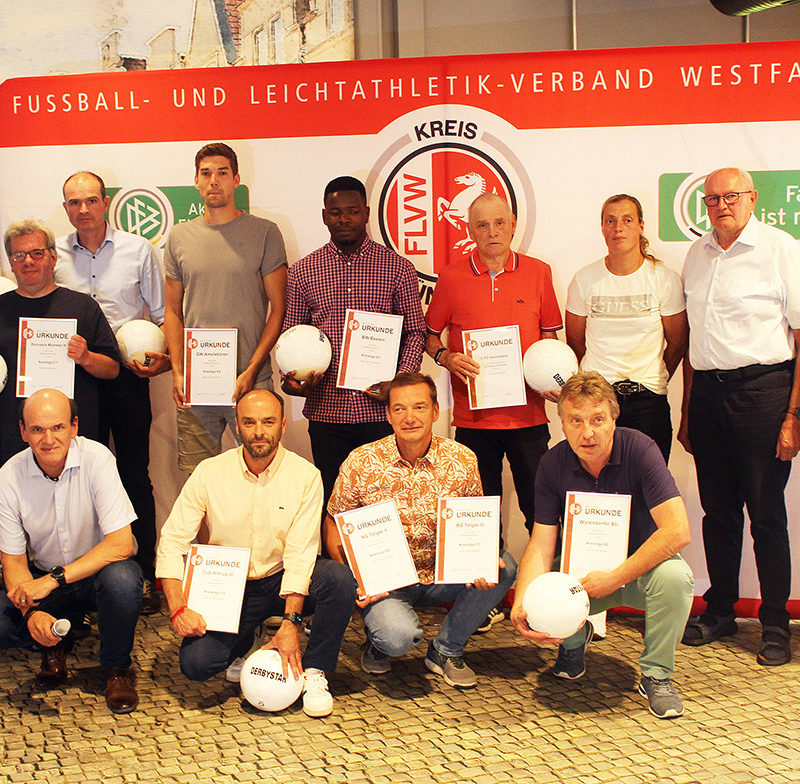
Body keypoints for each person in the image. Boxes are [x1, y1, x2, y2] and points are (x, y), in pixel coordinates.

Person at [155, 388, 357, 717]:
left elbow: (301, 553)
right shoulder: (209, 472)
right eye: (249, 422)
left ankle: (315, 670)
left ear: (283, 425)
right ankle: (248, 637)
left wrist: (290, 623)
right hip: (230, 587)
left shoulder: (306, 476)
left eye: (268, 422)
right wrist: (177, 608)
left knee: (337, 579)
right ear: (237, 425)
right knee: (197, 665)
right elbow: (173, 540)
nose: (259, 431)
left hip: (281, 576)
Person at [511, 372, 693, 719]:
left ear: (613, 419)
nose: (587, 433)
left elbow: (677, 531)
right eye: (575, 421)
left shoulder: (641, 449)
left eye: (597, 420)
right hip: (583, 577)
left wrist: (616, 577)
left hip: (640, 570)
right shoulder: (552, 463)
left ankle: (656, 675)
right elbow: (541, 543)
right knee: (541, 587)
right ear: (562, 423)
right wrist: (523, 601)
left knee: (676, 578)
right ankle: (574, 640)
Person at [678, 167, 800, 667]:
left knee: (767, 514)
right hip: (708, 395)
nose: (721, 206)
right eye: (712, 199)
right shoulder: (696, 254)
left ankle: (775, 623)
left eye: (731, 196)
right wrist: (687, 411)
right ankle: (721, 609)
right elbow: (693, 340)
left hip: (763, 394)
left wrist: (794, 416)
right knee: (718, 512)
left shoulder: (780, 249)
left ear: (752, 198)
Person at [325, 372, 517, 688]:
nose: (409, 417)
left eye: (419, 407)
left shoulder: (462, 459)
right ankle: (378, 643)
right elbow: (334, 520)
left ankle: (446, 649)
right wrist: (356, 579)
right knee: (397, 638)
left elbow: (473, 520)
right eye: (399, 409)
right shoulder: (361, 461)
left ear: (435, 411)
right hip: (388, 581)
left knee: (504, 566)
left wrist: (481, 560)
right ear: (388, 415)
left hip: (443, 575)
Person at [425, 192, 562, 631]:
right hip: (474, 420)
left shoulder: (539, 272)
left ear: (513, 224)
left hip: (529, 418)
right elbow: (429, 337)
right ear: (469, 230)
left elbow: (550, 340)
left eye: (499, 223)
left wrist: (552, 378)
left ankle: (548, 598)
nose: (492, 233)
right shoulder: (451, 277)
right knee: (479, 518)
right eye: (482, 225)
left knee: (541, 512)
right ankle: (483, 602)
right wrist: (447, 357)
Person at [55, 171, 168, 615]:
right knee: (79, 477)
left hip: (126, 376)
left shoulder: (138, 250)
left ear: (105, 202)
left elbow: (160, 314)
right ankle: (85, 580)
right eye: (74, 202)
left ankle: (144, 574)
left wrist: (158, 358)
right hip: (74, 379)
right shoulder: (54, 254)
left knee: (134, 474)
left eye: (90, 200)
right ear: (66, 208)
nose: (83, 209)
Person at [281, 175, 426, 516]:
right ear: (324, 216)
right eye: (335, 212)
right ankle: (336, 555)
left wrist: (397, 384)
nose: (344, 219)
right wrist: (293, 379)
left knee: (386, 505)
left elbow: (415, 333)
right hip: (327, 412)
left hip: (381, 412)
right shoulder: (303, 272)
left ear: (367, 213)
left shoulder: (398, 268)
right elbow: (291, 335)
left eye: (352, 211)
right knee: (334, 504)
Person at [0, 389, 141, 713]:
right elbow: (14, 563)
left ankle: (116, 668)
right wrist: (30, 612)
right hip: (43, 580)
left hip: (96, 574)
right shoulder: (8, 477)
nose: (48, 439)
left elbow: (121, 543)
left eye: (58, 427)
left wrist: (53, 580)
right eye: (37, 429)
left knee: (123, 581)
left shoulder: (98, 459)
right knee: (3, 624)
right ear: (23, 431)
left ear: (74, 426)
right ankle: (54, 642)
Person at [163, 142, 287, 472]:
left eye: (222, 173)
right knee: (197, 481)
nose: (214, 181)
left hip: (250, 381)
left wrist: (251, 370)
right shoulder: (179, 236)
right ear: (196, 181)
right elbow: (172, 311)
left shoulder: (265, 233)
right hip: (195, 384)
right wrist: (178, 371)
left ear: (236, 180)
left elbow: (278, 310)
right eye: (206, 174)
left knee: (262, 475)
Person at [565, 194, 687, 463]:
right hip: (596, 402)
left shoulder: (664, 278)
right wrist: (598, 383)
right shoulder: (584, 279)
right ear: (602, 227)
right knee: (599, 483)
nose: (618, 228)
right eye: (610, 221)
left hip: (648, 402)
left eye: (627, 220)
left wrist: (653, 375)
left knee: (647, 483)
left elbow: (678, 342)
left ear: (641, 226)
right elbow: (575, 340)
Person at [0, 219, 119, 463]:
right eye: (19, 255)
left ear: (53, 258)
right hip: (12, 440)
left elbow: (112, 369)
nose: (28, 261)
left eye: (37, 253)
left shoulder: (83, 307)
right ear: (10, 263)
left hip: (74, 439)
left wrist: (86, 357)